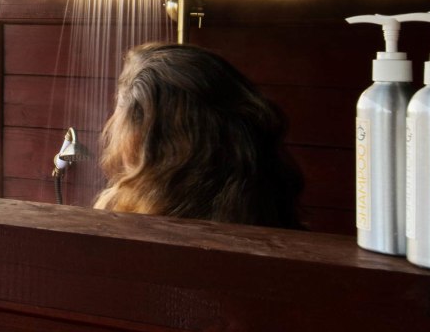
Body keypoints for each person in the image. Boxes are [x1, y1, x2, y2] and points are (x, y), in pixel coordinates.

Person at [94, 43, 303, 229]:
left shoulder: (138, 229)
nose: (111, 124)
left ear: (161, 147)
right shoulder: (262, 211)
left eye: (119, 108)